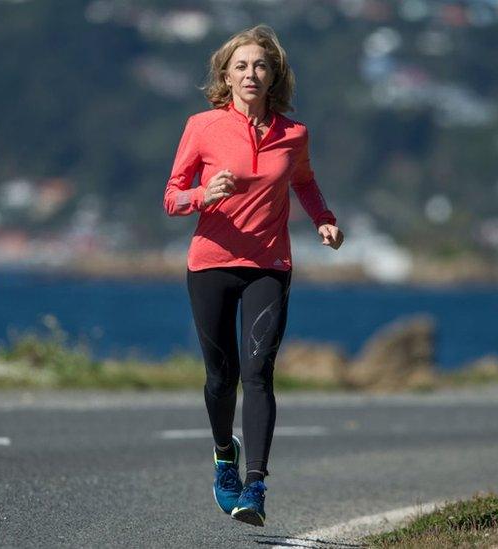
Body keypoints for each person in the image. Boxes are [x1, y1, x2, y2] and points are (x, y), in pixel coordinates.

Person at [162, 24, 343, 527]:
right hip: (211, 262)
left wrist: (324, 219)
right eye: (240, 66)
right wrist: (204, 195)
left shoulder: (294, 134)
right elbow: (172, 196)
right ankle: (225, 455)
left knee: (258, 372)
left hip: (268, 264)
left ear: (273, 76)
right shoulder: (202, 126)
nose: (250, 73)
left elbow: (304, 182)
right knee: (222, 378)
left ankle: (256, 485)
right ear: (226, 75)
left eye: (260, 65)